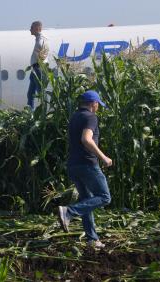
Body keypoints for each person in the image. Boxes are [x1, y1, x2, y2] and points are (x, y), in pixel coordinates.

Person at [58, 90, 112, 248]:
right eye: (98, 105)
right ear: (93, 103)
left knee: (86, 200)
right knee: (104, 197)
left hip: (73, 165)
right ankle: (68, 212)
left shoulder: (75, 117)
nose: (98, 108)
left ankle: (92, 239)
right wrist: (104, 157)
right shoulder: (91, 117)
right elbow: (86, 139)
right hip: (87, 164)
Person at [26, 21, 49, 109]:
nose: (30, 30)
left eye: (31, 28)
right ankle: (30, 112)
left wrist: (40, 59)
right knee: (30, 94)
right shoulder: (39, 39)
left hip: (39, 68)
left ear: (37, 28)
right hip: (35, 68)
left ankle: (43, 112)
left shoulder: (41, 39)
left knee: (40, 93)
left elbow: (44, 50)